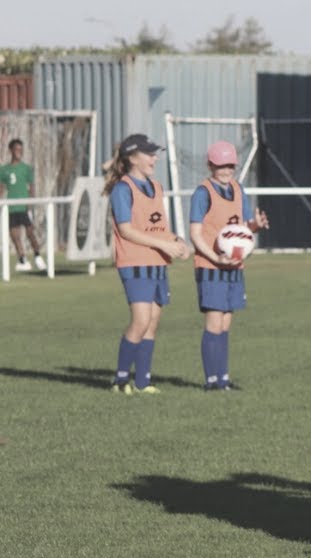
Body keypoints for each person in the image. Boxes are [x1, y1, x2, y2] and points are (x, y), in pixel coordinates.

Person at [104, 134, 190, 394]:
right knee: (140, 322)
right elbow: (127, 230)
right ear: (132, 158)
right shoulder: (123, 189)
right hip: (135, 263)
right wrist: (164, 245)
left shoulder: (156, 186)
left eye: (155, 153)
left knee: (152, 322)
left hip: (157, 262)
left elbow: (159, 226)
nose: (155, 158)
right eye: (149, 154)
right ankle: (120, 380)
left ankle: (142, 382)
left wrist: (176, 240)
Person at [187, 141, 269, 392]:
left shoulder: (238, 189)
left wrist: (255, 225)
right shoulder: (203, 193)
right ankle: (211, 380)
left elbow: (241, 228)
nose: (225, 171)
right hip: (211, 266)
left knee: (225, 324)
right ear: (210, 165)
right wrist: (215, 257)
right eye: (220, 166)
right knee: (213, 323)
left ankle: (223, 378)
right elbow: (195, 234)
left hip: (234, 266)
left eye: (230, 166)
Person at [0, 138, 45, 271]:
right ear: (11, 151)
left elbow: (31, 188)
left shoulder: (26, 168)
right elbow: (1, 188)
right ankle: (23, 259)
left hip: (24, 207)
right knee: (15, 236)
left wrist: (31, 206)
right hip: (11, 207)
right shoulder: (4, 170)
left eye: (21, 149)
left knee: (30, 233)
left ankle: (38, 256)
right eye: (17, 149)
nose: (20, 152)